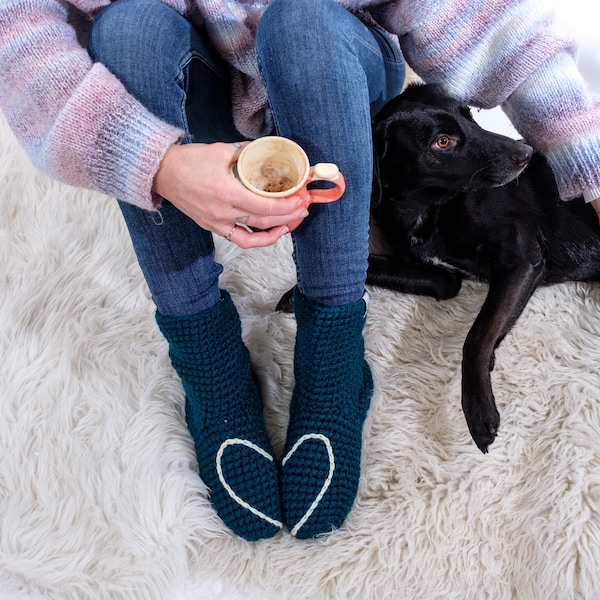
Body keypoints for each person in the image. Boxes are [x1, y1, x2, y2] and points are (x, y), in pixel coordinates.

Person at [0, 0, 598, 542]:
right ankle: (207, 359)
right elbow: (18, 34)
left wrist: (586, 158)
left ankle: (333, 351)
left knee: (302, 18)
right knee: (127, 29)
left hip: (336, 69)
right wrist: (157, 163)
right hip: (198, 88)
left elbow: (480, 19)